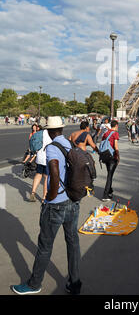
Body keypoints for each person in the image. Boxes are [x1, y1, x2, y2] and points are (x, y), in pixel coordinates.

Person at [12, 116, 82, 295]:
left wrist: (50, 197)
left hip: (56, 204)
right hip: (72, 201)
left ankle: (34, 284)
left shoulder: (51, 147)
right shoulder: (69, 144)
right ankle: (75, 283)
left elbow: (54, 172)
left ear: (49, 131)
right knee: (72, 242)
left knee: (45, 245)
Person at [29, 128, 52, 203]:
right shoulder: (51, 134)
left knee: (38, 174)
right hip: (47, 158)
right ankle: (44, 197)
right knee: (46, 177)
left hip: (39, 157)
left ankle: (33, 192)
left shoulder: (40, 133)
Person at [101, 120, 120, 202]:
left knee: (109, 173)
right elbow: (116, 146)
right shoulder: (115, 133)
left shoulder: (106, 133)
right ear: (116, 126)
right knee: (110, 176)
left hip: (106, 156)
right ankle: (105, 195)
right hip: (112, 157)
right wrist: (118, 156)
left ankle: (109, 191)